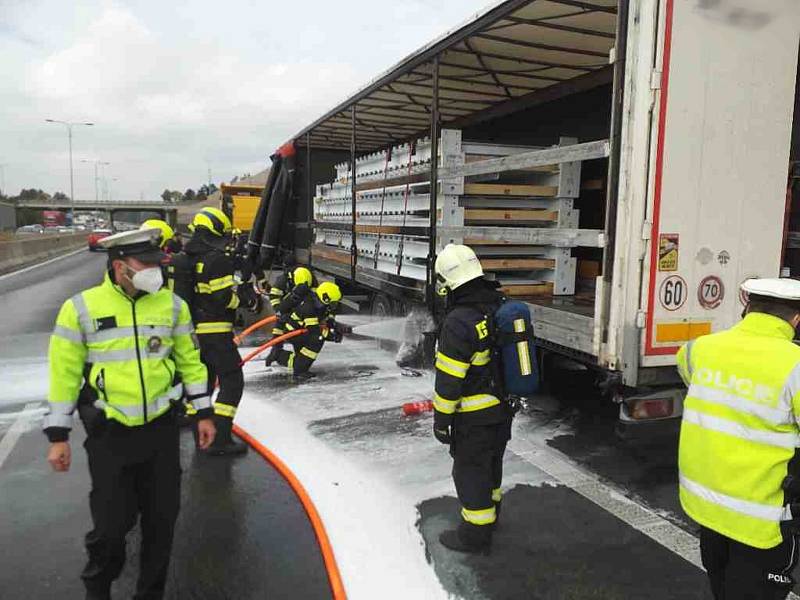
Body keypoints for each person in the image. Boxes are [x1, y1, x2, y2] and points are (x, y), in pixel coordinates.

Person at [44, 228, 215, 600]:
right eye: (147, 264)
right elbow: (64, 374)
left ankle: (149, 594)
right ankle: (99, 589)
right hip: (111, 435)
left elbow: (191, 361)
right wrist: (58, 436)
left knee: (161, 524)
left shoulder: (172, 306)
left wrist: (204, 413)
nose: (157, 271)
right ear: (120, 267)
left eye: (158, 263)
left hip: (161, 433)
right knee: (110, 529)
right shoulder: (81, 309)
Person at [676, 278, 800, 599]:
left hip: (707, 510)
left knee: (722, 587)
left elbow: (699, 381)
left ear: (747, 308)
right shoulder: (795, 365)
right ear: (796, 320)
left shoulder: (698, 349)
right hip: (760, 525)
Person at [432, 243, 512, 554]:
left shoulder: (459, 321)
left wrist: (441, 421)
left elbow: (449, 381)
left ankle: (475, 535)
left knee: (469, 471)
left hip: (474, 415)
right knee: (492, 464)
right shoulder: (498, 304)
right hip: (502, 409)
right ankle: (491, 517)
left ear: (447, 282)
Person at [183, 207, 259, 456]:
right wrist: (246, 301)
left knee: (203, 383)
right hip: (216, 332)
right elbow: (222, 298)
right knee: (232, 381)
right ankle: (220, 438)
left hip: (195, 333)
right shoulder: (216, 260)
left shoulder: (189, 258)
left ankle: (201, 433)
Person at [264, 281, 344, 376]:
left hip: (300, 331)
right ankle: (299, 369)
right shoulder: (309, 307)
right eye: (333, 303)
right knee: (317, 339)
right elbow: (314, 330)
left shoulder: (318, 302)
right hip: (294, 332)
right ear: (325, 298)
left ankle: (279, 356)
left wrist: (331, 322)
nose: (334, 306)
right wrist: (333, 337)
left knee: (302, 357)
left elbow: (327, 313)